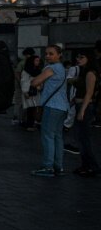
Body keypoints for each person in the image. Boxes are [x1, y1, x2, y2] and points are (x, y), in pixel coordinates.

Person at [29, 45, 70, 177]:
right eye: (46, 54)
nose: (47, 56)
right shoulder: (63, 69)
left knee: (47, 136)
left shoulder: (51, 68)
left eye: (51, 54)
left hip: (52, 106)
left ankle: (47, 166)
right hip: (63, 107)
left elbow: (35, 82)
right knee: (58, 137)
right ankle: (58, 166)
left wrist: (35, 81)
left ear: (59, 55)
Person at [69, 51, 99, 177]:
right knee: (80, 137)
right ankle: (86, 165)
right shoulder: (83, 71)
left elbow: (89, 93)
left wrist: (82, 110)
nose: (78, 59)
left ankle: (91, 166)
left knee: (84, 138)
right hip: (80, 104)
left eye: (82, 57)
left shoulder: (90, 73)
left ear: (89, 59)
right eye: (77, 57)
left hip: (85, 106)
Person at [12, 47, 35, 124]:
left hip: (25, 85)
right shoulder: (23, 63)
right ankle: (17, 119)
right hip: (22, 85)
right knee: (20, 102)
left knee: (22, 102)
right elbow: (17, 74)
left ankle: (21, 119)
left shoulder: (24, 62)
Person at [20, 54, 42, 131]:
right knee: (30, 108)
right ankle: (28, 125)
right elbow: (24, 81)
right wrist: (25, 91)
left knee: (34, 108)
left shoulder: (38, 70)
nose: (38, 62)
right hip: (29, 92)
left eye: (38, 60)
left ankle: (32, 123)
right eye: (36, 60)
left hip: (36, 92)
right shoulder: (26, 71)